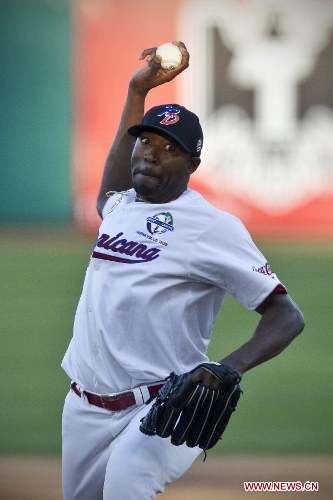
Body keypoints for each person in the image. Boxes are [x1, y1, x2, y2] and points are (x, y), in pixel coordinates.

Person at [61, 41, 304, 500]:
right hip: (83, 408)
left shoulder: (212, 227)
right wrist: (138, 90)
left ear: (193, 164)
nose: (149, 154)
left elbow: (287, 315)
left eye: (167, 148)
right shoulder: (122, 207)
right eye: (145, 141)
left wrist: (228, 367)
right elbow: (108, 190)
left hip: (162, 406)